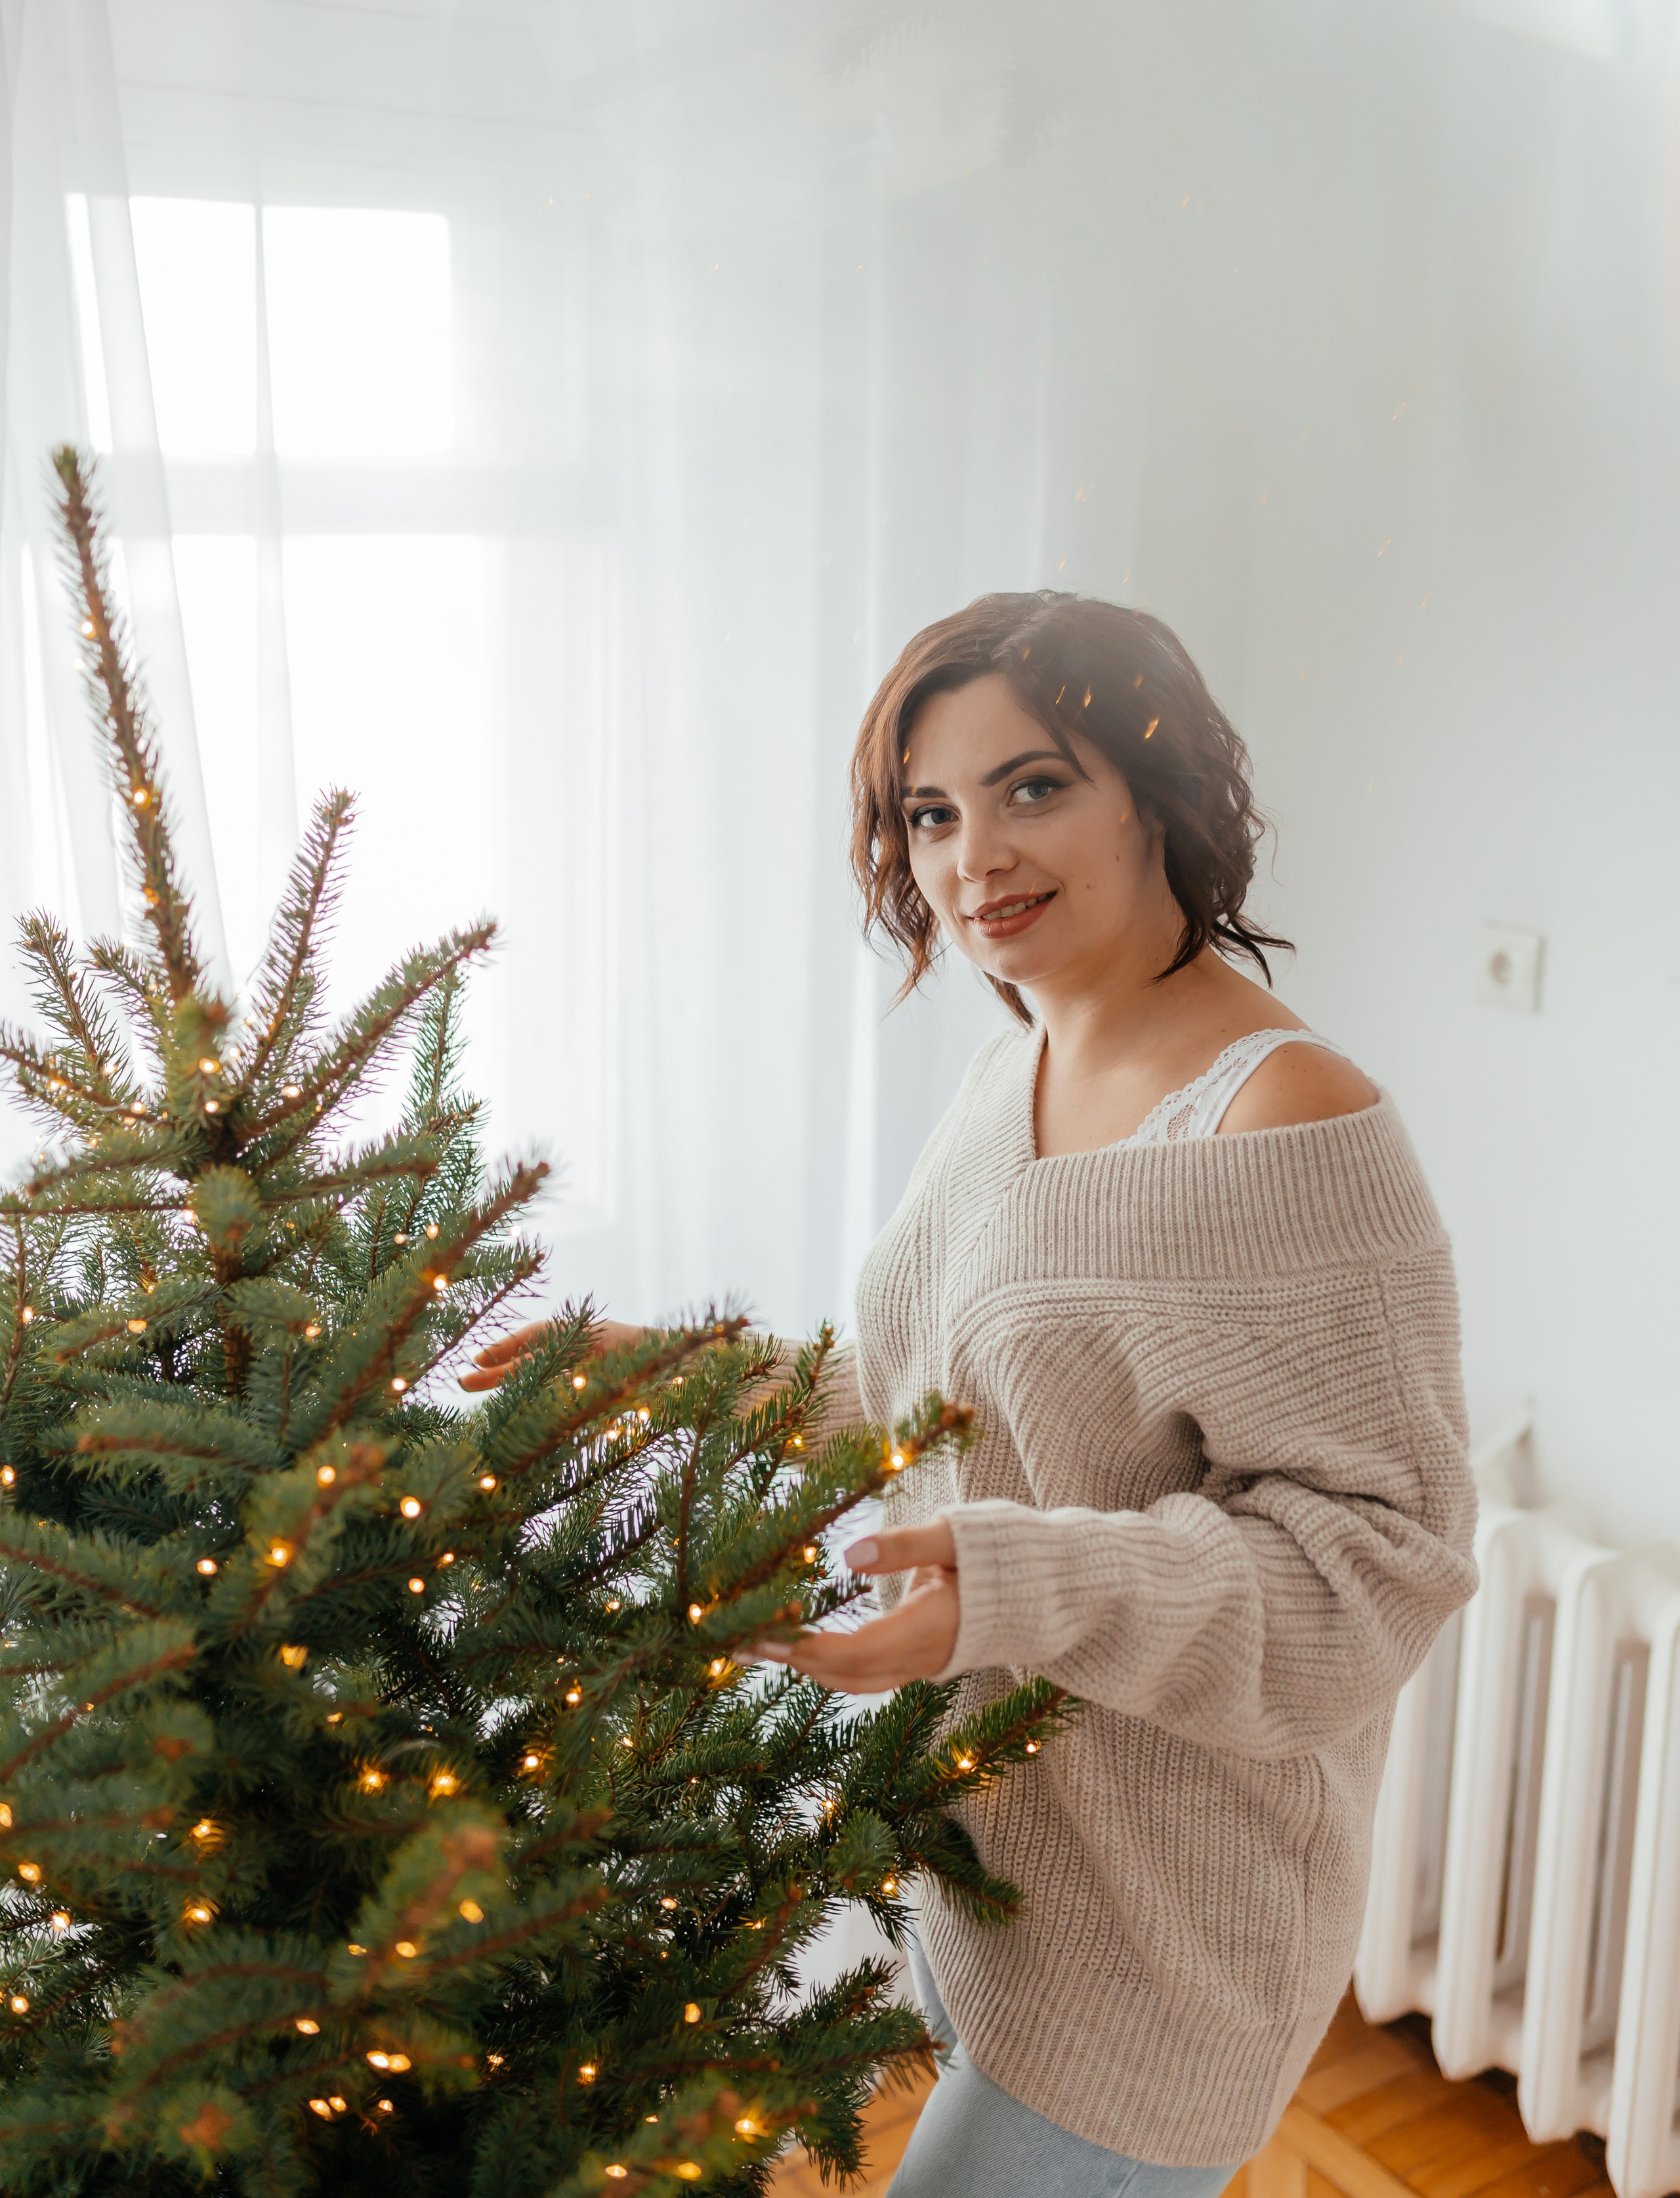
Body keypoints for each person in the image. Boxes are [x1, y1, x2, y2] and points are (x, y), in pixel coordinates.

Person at [464, 590, 1479, 2198]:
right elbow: (907, 1390)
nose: (970, 858)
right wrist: (673, 1378)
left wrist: (1006, 1584)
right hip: (987, 1853)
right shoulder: (1007, 1068)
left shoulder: (1282, 1119)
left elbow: (1373, 1564)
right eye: (929, 811)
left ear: (1156, 787)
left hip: (1168, 1934)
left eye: (1032, 786)